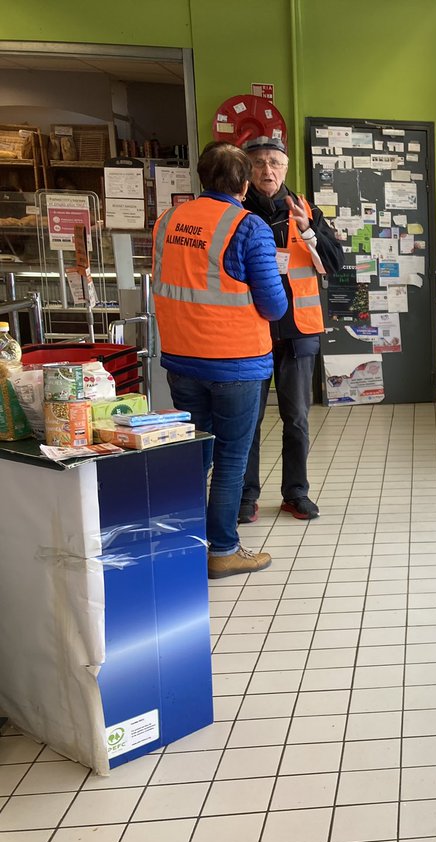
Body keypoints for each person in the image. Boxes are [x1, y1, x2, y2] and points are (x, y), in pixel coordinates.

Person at [151, 141, 288, 578]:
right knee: (231, 456)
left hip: (181, 360)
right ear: (244, 184)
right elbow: (273, 306)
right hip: (235, 362)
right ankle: (223, 548)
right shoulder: (247, 227)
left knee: (195, 453)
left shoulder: (168, 221)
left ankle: (186, 542)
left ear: (201, 177)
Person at [238, 135, 344, 523]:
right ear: (247, 168)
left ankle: (295, 492)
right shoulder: (236, 210)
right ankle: (245, 495)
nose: (268, 170)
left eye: (275, 163)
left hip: (298, 331)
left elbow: (333, 264)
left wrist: (310, 229)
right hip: (249, 331)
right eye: (259, 162)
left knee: (296, 418)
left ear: (285, 167)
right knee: (248, 420)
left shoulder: (306, 209)